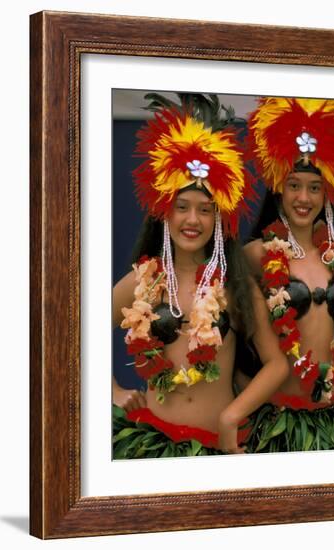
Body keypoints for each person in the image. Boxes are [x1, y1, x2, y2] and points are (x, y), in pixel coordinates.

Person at [112, 96, 288, 458]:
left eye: (205, 210)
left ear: (219, 220)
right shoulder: (142, 283)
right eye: (182, 207)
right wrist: (112, 392)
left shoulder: (234, 287)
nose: (193, 220)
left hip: (215, 448)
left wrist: (231, 416)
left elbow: (277, 363)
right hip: (151, 443)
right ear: (164, 212)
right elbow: (71, 335)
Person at [240, 97, 334, 452]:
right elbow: (222, 339)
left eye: (314, 187)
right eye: (294, 185)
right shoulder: (256, 255)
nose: (304, 197)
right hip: (278, 422)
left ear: (328, 193)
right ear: (278, 188)